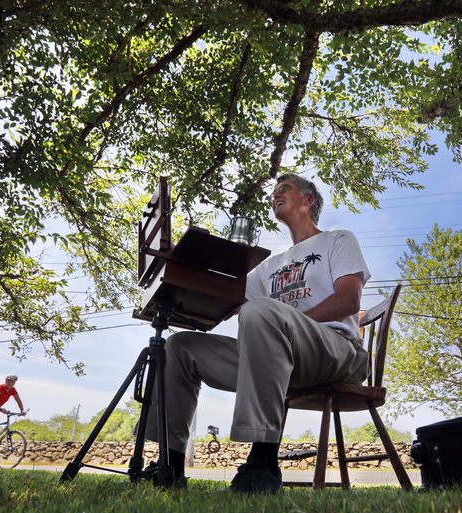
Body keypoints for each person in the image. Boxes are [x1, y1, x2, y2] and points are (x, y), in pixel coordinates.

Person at [147, 172, 371, 493]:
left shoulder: (338, 239)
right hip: (272, 355)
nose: (275, 194)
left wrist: (288, 325)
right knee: (179, 347)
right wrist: (191, 275)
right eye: (274, 190)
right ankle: (170, 466)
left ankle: (262, 463)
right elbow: (234, 305)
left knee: (263, 311)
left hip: (334, 352)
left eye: (285, 189)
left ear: (308, 200)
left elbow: (350, 299)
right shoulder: (268, 265)